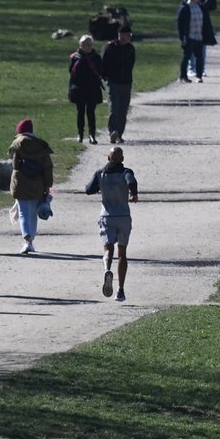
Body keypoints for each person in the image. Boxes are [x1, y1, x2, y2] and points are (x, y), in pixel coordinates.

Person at [83, 146, 138, 301]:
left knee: (108, 248)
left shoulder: (100, 173)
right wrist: (134, 194)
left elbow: (88, 189)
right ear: (122, 159)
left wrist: (100, 186)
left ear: (108, 158)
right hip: (123, 217)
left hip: (107, 216)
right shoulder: (126, 172)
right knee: (122, 254)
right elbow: (132, 182)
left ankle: (107, 269)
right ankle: (120, 290)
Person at [8, 118, 54, 253]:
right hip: (37, 183)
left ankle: (26, 239)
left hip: (21, 183)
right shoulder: (41, 146)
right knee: (33, 213)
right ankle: (31, 241)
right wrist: (48, 185)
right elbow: (47, 167)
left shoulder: (16, 145)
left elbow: (15, 166)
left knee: (23, 212)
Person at [101, 25, 135, 144]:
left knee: (123, 109)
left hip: (126, 82)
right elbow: (103, 62)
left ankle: (120, 134)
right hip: (113, 81)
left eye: (130, 35)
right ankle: (112, 131)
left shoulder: (130, 48)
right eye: (127, 35)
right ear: (120, 35)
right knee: (114, 107)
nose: (129, 37)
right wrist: (106, 77)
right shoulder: (110, 47)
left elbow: (131, 63)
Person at [68, 34, 105, 143]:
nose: (88, 46)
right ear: (80, 45)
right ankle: (80, 134)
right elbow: (71, 72)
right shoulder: (74, 57)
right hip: (79, 89)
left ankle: (92, 135)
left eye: (89, 44)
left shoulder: (96, 57)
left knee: (91, 112)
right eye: (85, 44)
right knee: (80, 112)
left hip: (92, 89)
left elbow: (101, 71)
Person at [177, 0, 217, 82]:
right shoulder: (185, 7)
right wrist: (182, 38)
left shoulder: (200, 6)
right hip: (189, 37)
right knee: (186, 57)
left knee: (200, 57)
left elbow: (210, 6)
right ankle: (183, 76)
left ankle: (199, 76)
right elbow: (180, 24)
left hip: (199, 36)